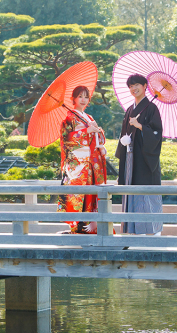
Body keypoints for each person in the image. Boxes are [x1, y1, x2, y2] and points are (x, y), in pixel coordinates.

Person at [115, 73, 163, 235]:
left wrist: (141, 126)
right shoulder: (130, 110)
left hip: (145, 159)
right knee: (131, 190)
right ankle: (133, 230)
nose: (133, 89)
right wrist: (124, 141)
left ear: (145, 87)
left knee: (145, 191)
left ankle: (152, 230)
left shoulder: (152, 108)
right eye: (130, 86)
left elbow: (157, 133)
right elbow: (125, 132)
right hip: (130, 157)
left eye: (137, 85)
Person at [58, 85, 107, 234]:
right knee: (78, 196)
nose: (83, 100)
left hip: (91, 163)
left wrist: (98, 140)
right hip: (77, 166)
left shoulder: (88, 117)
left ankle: (94, 227)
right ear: (73, 98)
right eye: (80, 96)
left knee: (91, 195)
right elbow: (67, 139)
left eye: (86, 97)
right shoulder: (69, 118)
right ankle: (77, 227)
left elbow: (97, 136)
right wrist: (86, 131)